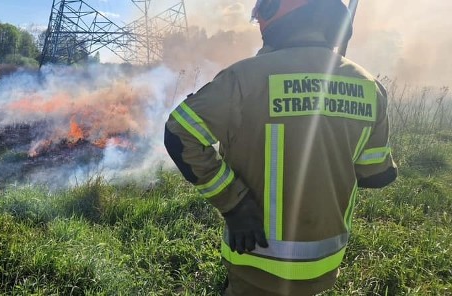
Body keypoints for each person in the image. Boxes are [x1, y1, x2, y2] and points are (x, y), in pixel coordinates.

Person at [163, 0, 397, 295]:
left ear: (273, 13)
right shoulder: (369, 87)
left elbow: (178, 132)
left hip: (255, 264)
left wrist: (235, 203)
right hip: (323, 266)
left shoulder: (245, 79)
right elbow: (376, 175)